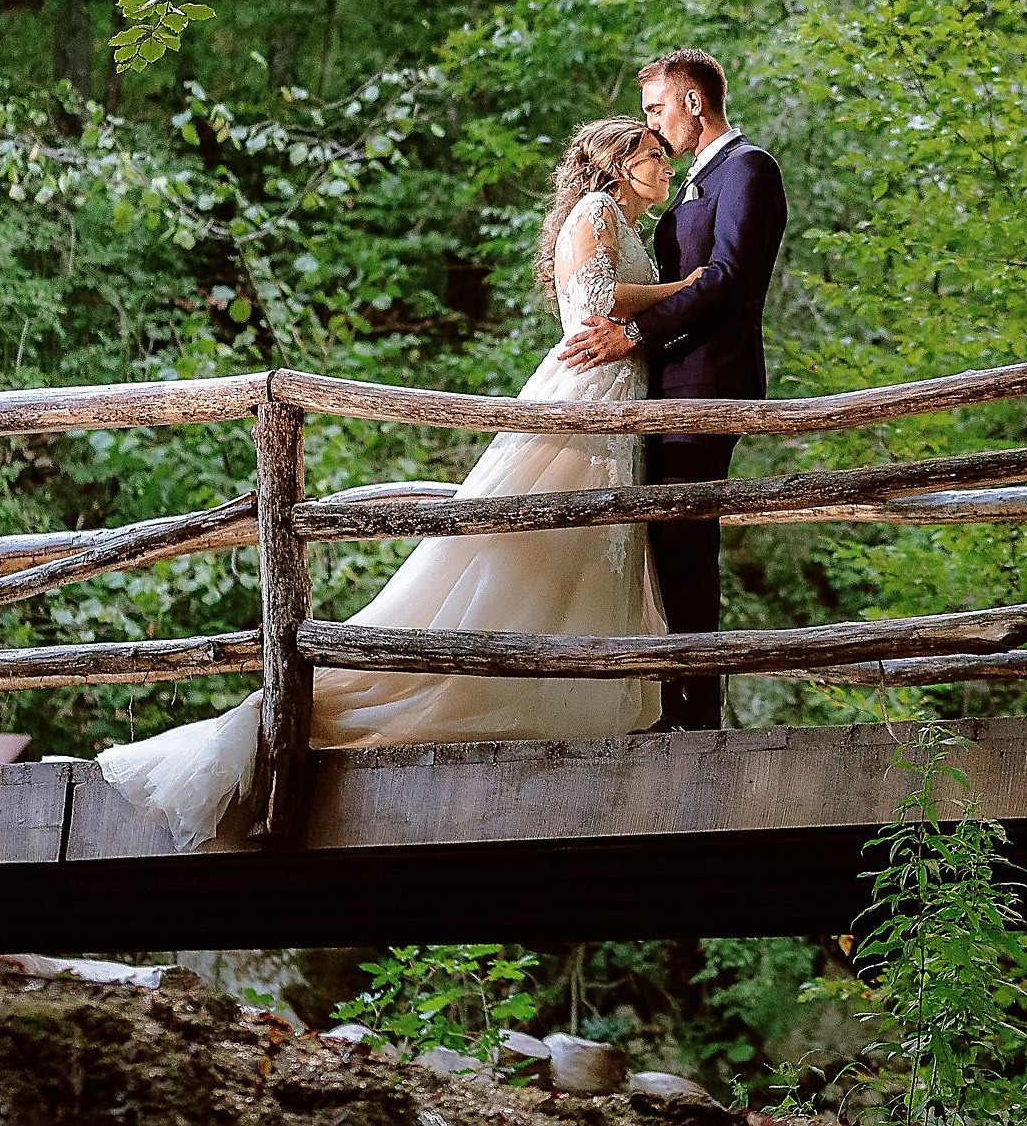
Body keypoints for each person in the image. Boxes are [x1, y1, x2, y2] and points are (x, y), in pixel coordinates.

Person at [98, 118, 700, 849]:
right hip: (586, 392)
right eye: (654, 155)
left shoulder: (631, 221)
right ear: (617, 162)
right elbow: (600, 303)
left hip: (615, 396)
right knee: (542, 537)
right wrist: (687, 288)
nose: (667, 166)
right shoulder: (597, 211)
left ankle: (571, 685)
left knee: (584, 542)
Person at [559, 50, 787, 730]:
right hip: (665, 386)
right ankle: (675, 700)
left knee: (688, 543)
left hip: (710, 382)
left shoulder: (749, 170)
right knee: (667, 544)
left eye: (658, 107)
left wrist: (633, 335)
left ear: (694, 102)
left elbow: (728, 279)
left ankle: (699, 713)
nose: (653, 123)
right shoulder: (693, 184)